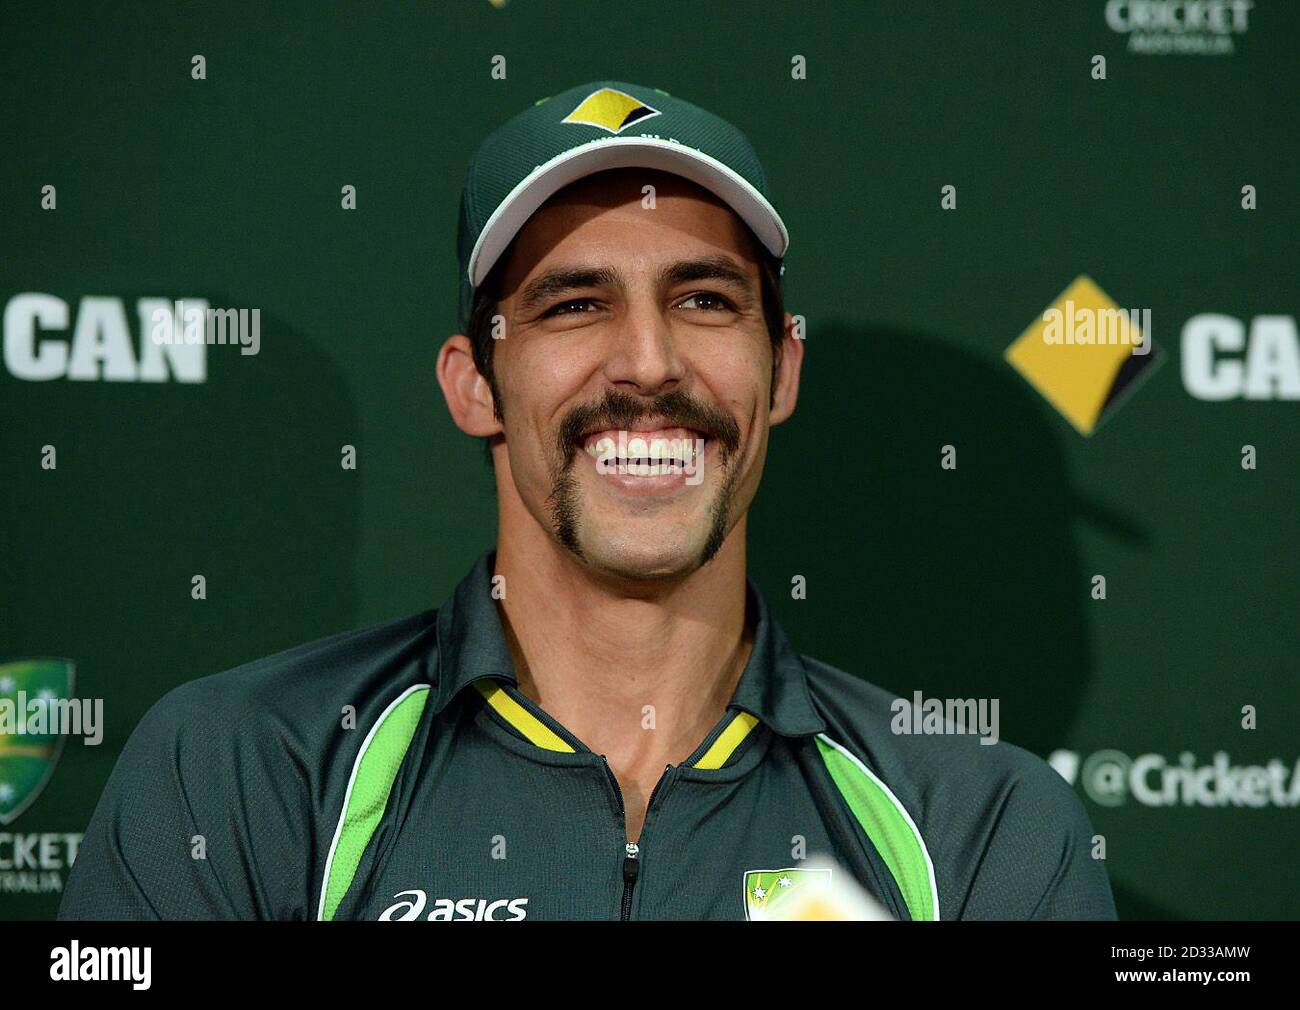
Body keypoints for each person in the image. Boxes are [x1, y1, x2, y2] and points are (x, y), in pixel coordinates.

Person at [60, 81, 1117, 921]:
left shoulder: (979, 821)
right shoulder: (244, 766)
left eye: (705, 299)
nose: (649, 363)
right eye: (573, 304)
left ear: (782, 372)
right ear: (474, 383)